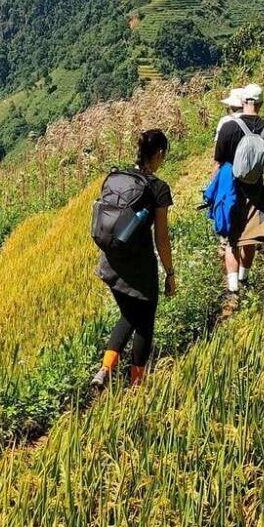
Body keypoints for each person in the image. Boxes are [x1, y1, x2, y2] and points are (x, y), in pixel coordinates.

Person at [92, 129, 176, 387]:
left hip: (111, 261)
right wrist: (170, 273)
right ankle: (137, 384)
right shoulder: (158, 188)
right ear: (159, 154)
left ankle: (105, 369)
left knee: (129, 315)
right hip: (140, 267)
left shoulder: (115, 177)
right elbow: (162, 238)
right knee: (144, 323)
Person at [214, 83, 264, 292]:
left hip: (231, 192)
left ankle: (233, 289)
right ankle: (245, 279)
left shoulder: (228, 128)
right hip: (256, 190)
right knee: (249, 238)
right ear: (260, 103)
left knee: (231, 241)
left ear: (242, 102)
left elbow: (218, 165)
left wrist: (215, 195)